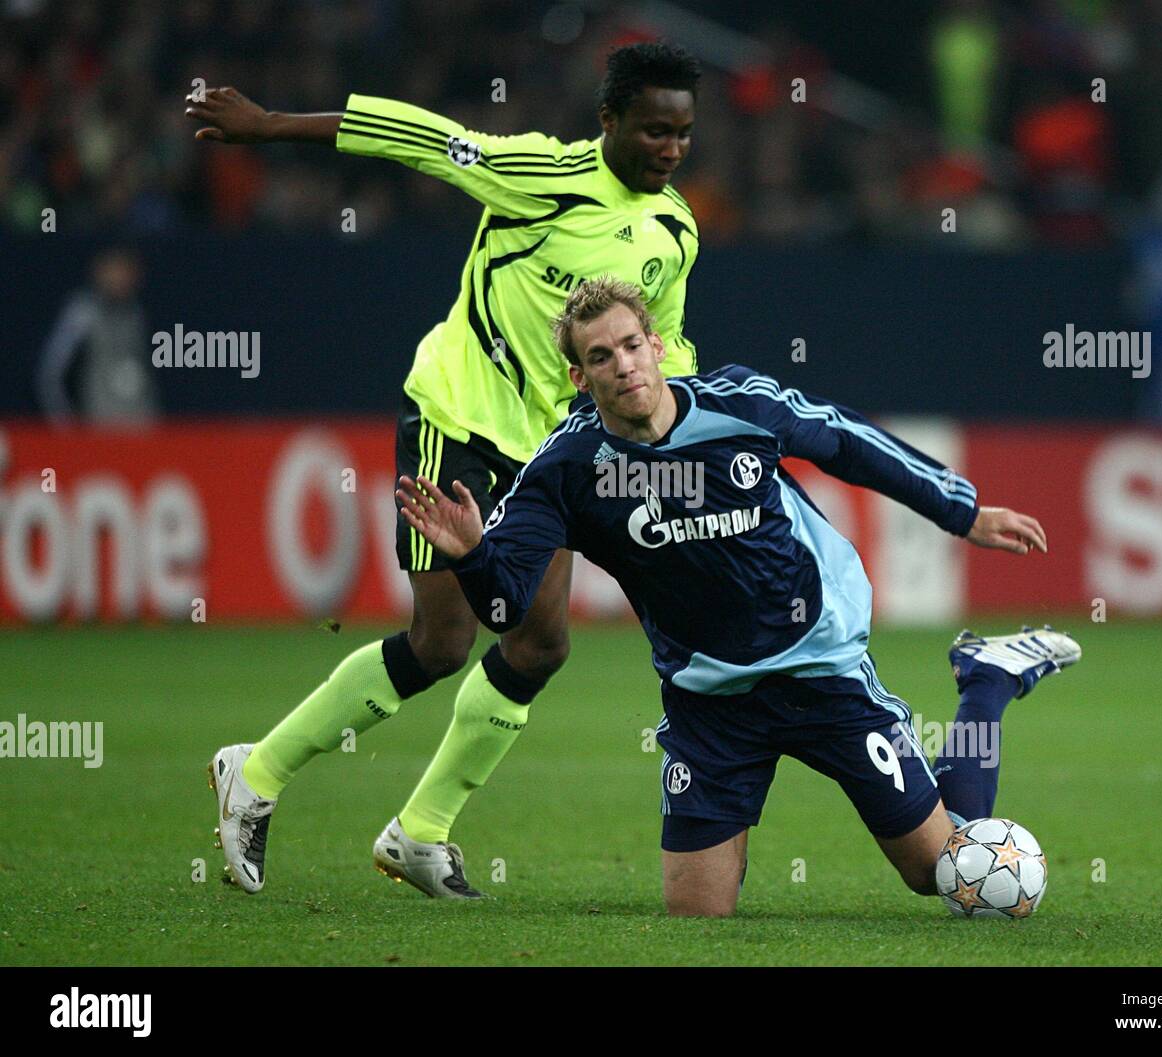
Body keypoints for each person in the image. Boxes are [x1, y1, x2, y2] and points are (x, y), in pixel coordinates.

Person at [396, 276, 1080, 916]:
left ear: (657, 345)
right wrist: (475, 557)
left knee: (940, 873)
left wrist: (962, 510)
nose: (624, 364)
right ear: (579, 376)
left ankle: (986, 681)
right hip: (709, 702)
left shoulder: (739, 404)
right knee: (698, 915)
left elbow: (846, 440)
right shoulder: (566, 470)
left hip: (819, 664)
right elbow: (503, 610)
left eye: (633, 345)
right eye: (601, 356)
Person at [195, 43, 702, 897]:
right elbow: (424, 137)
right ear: (609, 121)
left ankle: (419, 831)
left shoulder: (675, 228)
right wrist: (272, 126)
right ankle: (258, 768)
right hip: (458, 416)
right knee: (443, 639)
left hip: (549, 452)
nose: (670, 149)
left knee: (539, 642)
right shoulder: (540, 175)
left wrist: (674, 407)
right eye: (654, 130)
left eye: (684, 134)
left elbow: (667, 340)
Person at [37, 248, 159, 426]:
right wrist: (65, 426)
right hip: (99, 427)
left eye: (127, 272)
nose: (120, 279)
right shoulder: (81, 313)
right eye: (115, 270)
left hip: (140, 425)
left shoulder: (136, 314)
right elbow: (51, 374)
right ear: (99, 272)